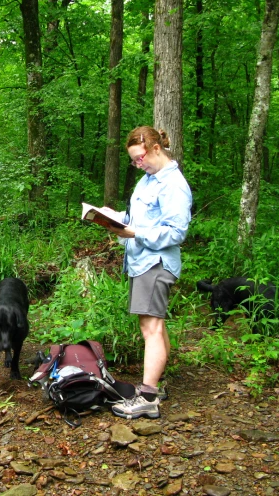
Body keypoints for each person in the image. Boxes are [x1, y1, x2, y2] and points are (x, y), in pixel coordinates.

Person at [102, 126, 192, 420]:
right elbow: (137, 219)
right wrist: (115, 220)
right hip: (142, 262)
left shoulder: (173, 184)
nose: (137, 164)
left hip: (155, 263)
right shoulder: (147, 180)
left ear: (156, 149)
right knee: (156, 325)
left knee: (149, 328)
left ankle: (148, 397)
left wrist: (134, 232)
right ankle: (158, 385)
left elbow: (176, 232)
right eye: (133, 161)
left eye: (139, 158)